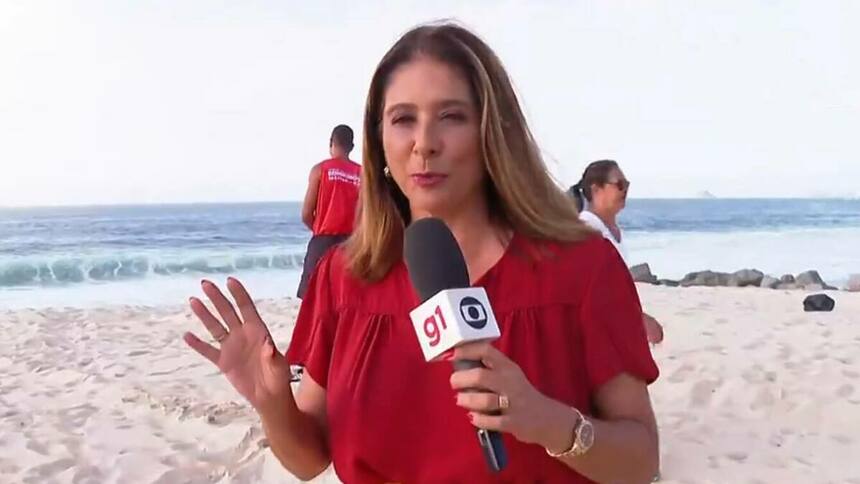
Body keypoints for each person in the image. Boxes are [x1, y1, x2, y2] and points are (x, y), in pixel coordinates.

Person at [183, 23, 660, 483]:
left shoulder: (582, 267)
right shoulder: (344, 278)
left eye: (451, 117)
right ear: (379, 139)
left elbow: (639, 462)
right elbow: (308, 460)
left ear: (492, 131)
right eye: (403, 119)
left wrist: (550, 422)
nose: (424, 144)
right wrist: (273, 406)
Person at [569, 160, 665, 345]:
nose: (625, 190)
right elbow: (591, 291)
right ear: (596, 189)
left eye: (627, 185)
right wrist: (639, 319)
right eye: (619, 185)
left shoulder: (611, 230)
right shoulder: (587, 230)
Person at [296, 124, 361, 298]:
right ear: (352, 147)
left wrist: (320, 229)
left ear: (331, 143)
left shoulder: (320, 170)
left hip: (323, 242)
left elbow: (306, 214)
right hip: (351, 245)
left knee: (312, 299)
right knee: (346, 300)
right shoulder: (362, 174)